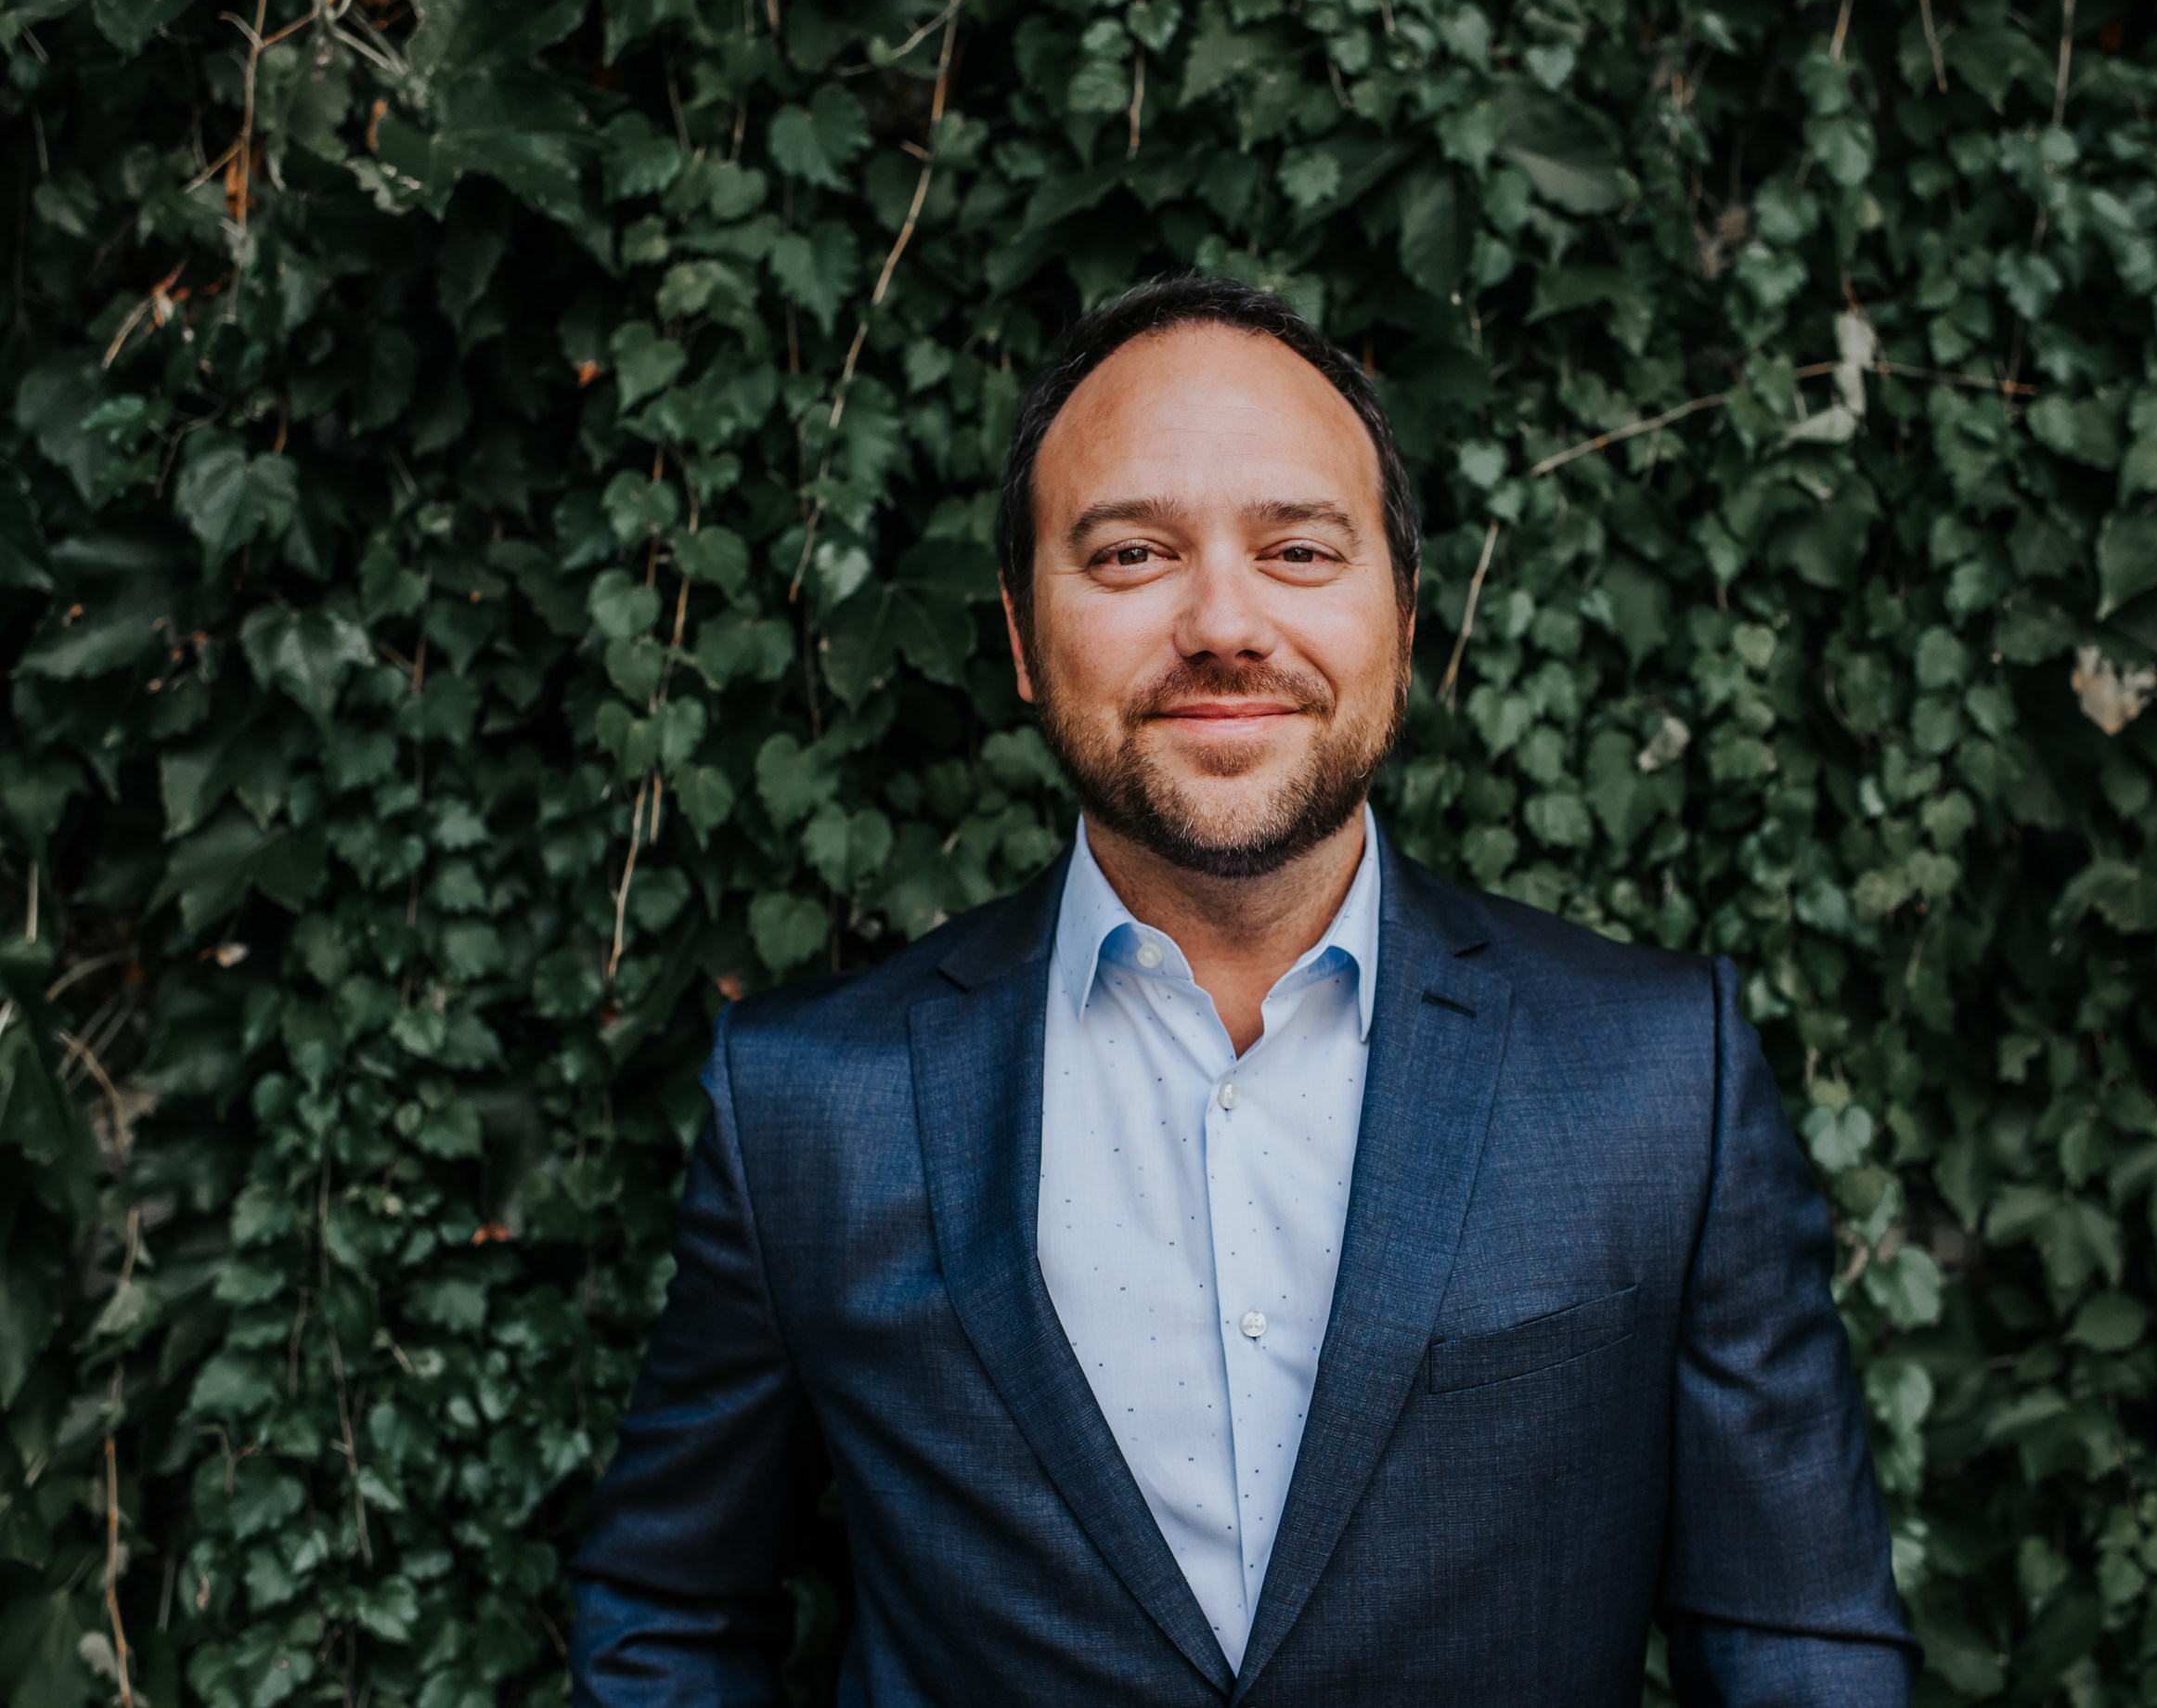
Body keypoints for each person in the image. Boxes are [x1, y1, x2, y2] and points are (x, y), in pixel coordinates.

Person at [568, 275, 1917, 1705]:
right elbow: (666, 1610)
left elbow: (1802, 1644)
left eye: (1300, 550)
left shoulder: (1660, 1079)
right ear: (1022, 635)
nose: (1223, 620)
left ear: (1404, 616)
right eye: (1133, 553)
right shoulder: (809, 1109)